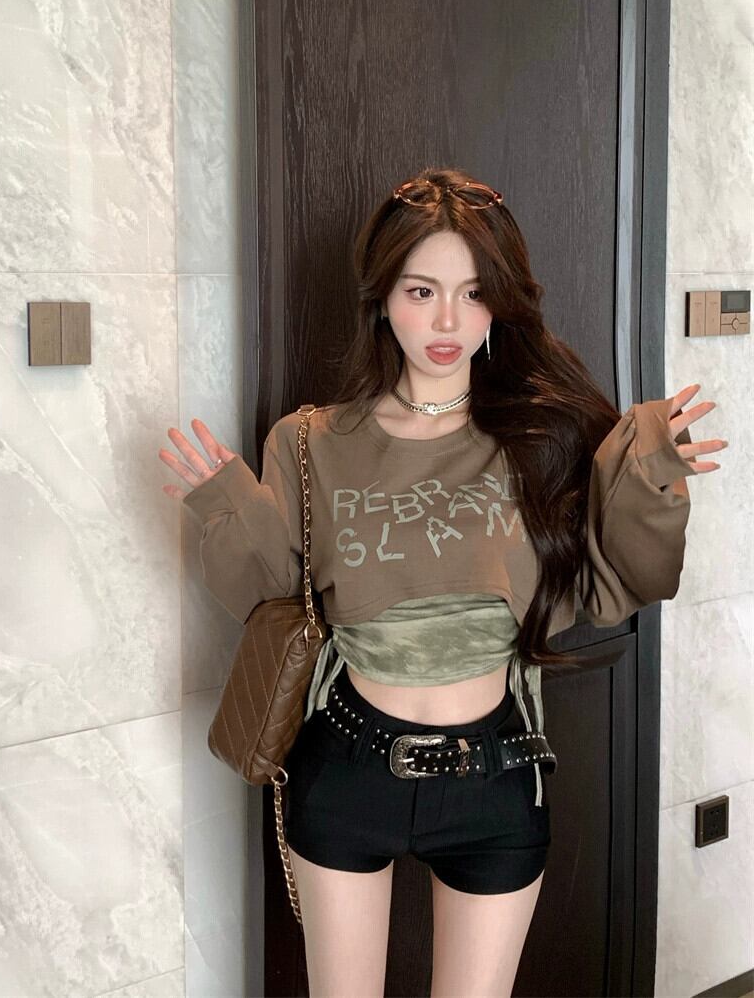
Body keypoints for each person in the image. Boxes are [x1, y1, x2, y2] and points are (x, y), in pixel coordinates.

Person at [159, 168, 727, 997]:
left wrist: (652, 474)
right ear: (382, 296)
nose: (448, 322)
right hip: (345, 764)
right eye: (422, 290)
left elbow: (620, 581)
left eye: (474, 293)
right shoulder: (311, 441)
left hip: (496, 775)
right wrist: (226, 504)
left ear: (501, 303)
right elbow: (274, 593)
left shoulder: (542, 440)